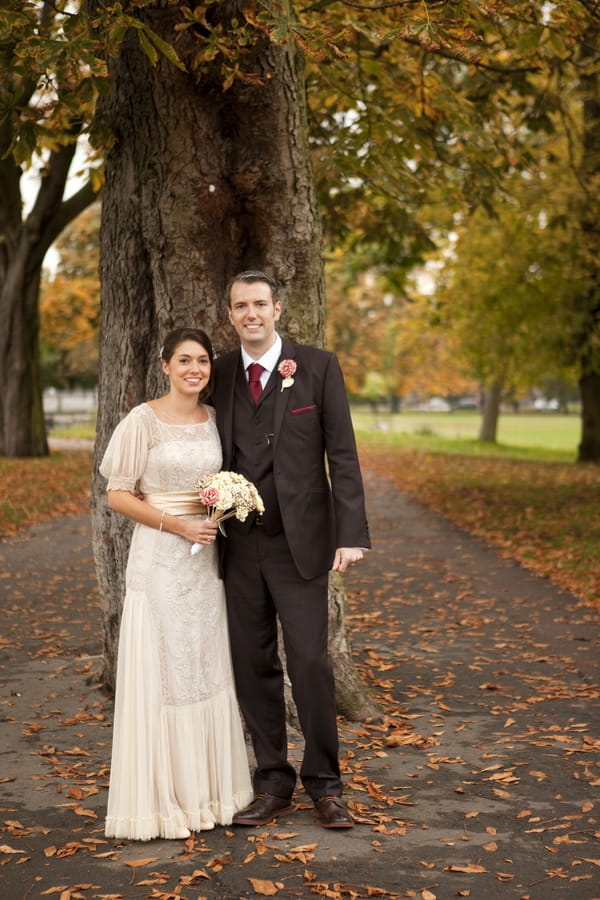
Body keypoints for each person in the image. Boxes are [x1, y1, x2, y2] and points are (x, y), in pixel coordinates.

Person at [212, 270, 370, 830]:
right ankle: (272, 782)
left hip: (301, 545)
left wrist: (351, 534)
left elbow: (343, 455)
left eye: (259, 303)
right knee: (253, 664)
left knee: (309, 663)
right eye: (239, 306)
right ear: (229, 314)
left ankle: (326, 785)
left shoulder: (319, 367)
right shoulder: (222, 371)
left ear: (277, 308)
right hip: (237, 545)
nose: (250, 314)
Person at [99, 327, 253, 840]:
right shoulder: (142, 421)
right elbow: (118, 495)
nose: (195, 369)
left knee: (204, 668)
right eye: (184, 360)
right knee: (165, 671)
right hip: (161, 559)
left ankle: (210, 793)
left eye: (204, 361)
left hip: (204, 564)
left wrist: (222, 507)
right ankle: (164, 801)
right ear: (164, 365)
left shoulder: (215, 420)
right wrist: (179, 524)